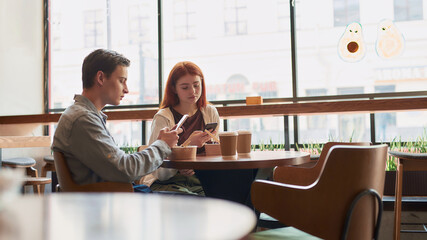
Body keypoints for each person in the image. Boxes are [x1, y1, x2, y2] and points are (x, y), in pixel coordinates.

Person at [52, 49, 181, 192]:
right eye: (122, 81)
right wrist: (162, 145)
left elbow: (120, 166)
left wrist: (161, 144)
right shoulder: (83, 119)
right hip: (109, 202)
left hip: (111, 198)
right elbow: (125, 170)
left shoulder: (83, 115)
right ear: (100, 78)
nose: (126, 89)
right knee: (199, 202)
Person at [148, 61, 220, 195]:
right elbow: (155, 167)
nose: (193, 91)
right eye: (185, 87)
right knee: (191, 199)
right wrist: (182, 161)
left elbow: (215, 154)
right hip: (170, 183)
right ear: (174, 89)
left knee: (236, 192)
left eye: (196, 85)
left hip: (204, 180)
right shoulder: (163, 118)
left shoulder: (210, 112)